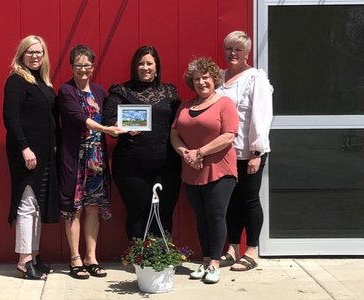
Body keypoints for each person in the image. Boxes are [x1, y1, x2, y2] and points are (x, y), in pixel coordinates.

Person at [57, 44, 126, 280]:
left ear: (93, 66)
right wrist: (106, 128)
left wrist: (129, 126)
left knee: (93, 208)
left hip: (96, 159)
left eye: (87, 65)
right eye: (79, 65)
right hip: (75, 158)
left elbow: (110, 114)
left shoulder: (99, 90)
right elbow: (79, 118)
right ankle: (75, 258)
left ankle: (91, 257)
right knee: (73, 209)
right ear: (71, 66)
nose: (83, 69)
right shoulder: (65, 91)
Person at [170, 57, 239, 284]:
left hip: (220, 169)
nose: (201, 82)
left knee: (216, 215)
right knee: (201, 217)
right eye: (197, 79)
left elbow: (229, 135)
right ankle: (206, 260)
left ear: (214, 78)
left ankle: (215, 264)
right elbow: (174, 134)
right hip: (192, 169)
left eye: (205, 77)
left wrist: (200, 152)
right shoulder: (185, 105)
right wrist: (186, 154)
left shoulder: (225, 103)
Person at [102, 46, 181, 241]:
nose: (145, 67)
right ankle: (139, 258)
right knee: (139, 209)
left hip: (166, 166)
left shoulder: (169, 92)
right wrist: (120, 126)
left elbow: (181, 122)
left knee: (164, 210)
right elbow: (109, 120)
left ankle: (162, 258)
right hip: (131, 166)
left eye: (149, 63)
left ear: (156, 67)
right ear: (135, 66)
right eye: (141, 63)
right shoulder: (121, 92)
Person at [216, 31, 273, 271]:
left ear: (247, 53)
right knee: (230, 202)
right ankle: (232, 247)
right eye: (229, 48)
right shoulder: (219, 77)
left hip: (249, 151)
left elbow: (260, 115)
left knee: (249, 200)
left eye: (238, 49)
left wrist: (256, 152)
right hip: (225, 152)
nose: (233, 53)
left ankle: (252, 249)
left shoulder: (255, 78)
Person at [3, 35, 59, 280]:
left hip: (44, 154)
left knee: (36, 206)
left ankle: (34, 256)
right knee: (26, 206)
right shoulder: (16, 81)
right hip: (26, 153)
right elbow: (10, 118)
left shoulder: (42, 82)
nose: (35, 56)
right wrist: (25, 148)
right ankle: (24, 261)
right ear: (22, 55)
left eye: (39, 52)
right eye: (30, 52)